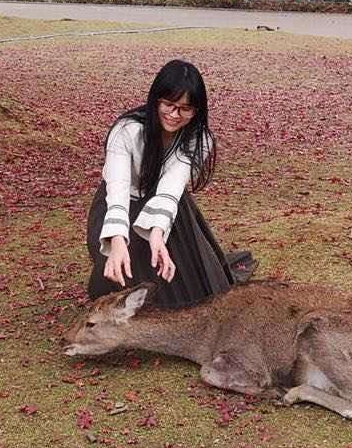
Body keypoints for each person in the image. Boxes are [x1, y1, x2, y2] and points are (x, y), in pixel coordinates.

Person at [86, 59, 255, 309]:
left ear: (196, 110)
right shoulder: (127, 131)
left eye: (185, 109)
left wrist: (157, 236)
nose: (175, 115)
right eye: (168, 104)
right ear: (156, 100)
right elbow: (118, 188)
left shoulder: (199, 139)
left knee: (189, 281)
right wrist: (118, 240)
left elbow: (170, 189)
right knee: (120, 268)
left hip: (167, 208)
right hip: (117, 206)